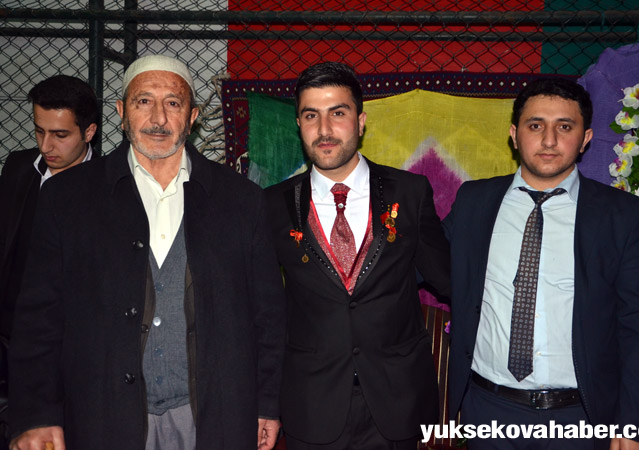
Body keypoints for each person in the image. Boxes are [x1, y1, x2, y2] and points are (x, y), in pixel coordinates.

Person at [8, 55, 285, 450]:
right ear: (122, 113)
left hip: (214, 415)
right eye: (143, 102)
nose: (158, 118)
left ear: (192, 116)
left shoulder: (241, 200)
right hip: (100, 414)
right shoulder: (66, 198)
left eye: (173, 103)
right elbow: (39, 318)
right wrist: (37, 414)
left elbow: (267, 316)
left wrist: (267, 403)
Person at [443, 78, 639, 450]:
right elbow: (413, 262)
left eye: (564, 127)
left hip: (580, 417)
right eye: (535, 126)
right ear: (514, 135)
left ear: (585, 138)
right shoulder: (474, 201)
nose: (548, 140)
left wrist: (634, 426)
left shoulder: (621, 215)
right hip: (487, 410)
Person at [265, 61, 450, 449]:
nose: (324, 129)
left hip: (397, 402)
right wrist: (264, 403)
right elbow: (261, 311)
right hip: (311, 405)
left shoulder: (410, 193)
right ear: (298, 124)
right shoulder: (271, 206)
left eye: (338, 113)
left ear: (361, 122)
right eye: (311, 116)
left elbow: (450, 279)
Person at [0, 75, 99, 340]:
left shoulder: (108, 188)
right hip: (8, 330)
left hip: (68, 338)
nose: (45, 146)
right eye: (39, 131)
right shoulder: (18, 168)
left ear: (89, 132)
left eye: (60, 135)